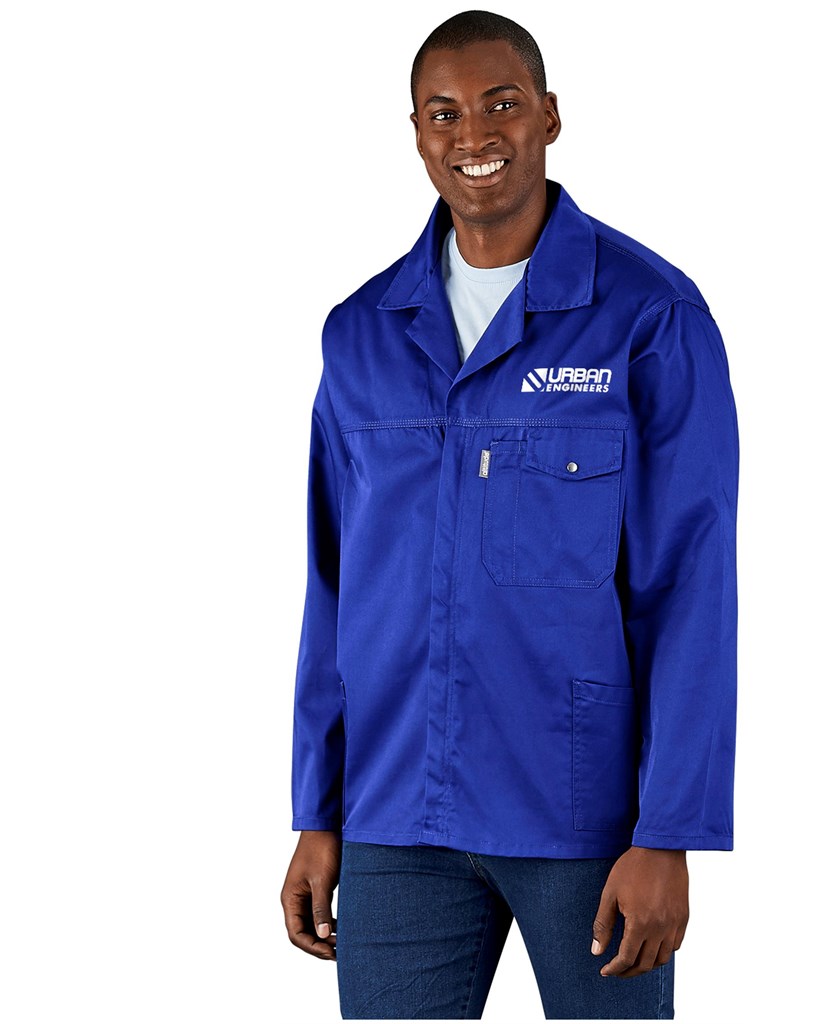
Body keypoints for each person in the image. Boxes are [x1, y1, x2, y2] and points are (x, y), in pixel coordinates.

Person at [280, 10, 740, 1020]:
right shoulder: (360, 333)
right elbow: (332, 587)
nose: (473, 135)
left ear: (549, 117)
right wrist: (318, 809)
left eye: (501, 104)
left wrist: (668, 831)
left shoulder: (649, 316)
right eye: (443, 112)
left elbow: (691, 585)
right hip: (396, 811)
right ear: (415, 131)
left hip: (584, 818)